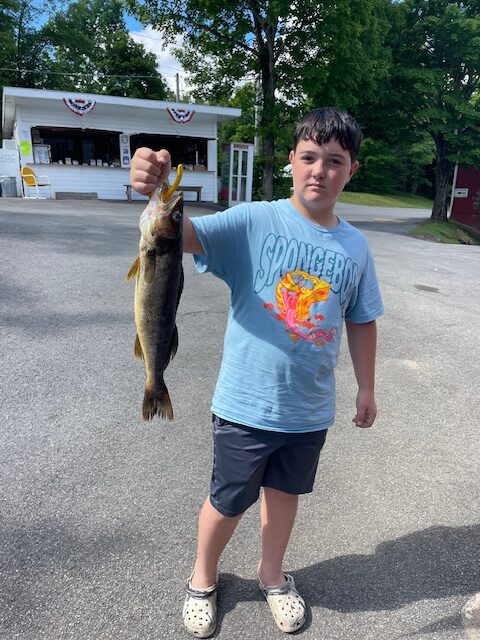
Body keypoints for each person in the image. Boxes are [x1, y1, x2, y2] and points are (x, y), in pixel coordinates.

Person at [129, 107, 384, 637]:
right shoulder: (254, 220)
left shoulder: (356, 248)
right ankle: (203, 577)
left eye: (334, 161)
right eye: (309, 157)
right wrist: (150, 184)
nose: (320, 170)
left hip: (309, 409)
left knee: (284, 498)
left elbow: (361, 320)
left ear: (352, 170)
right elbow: (181, 234)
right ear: (292, 160)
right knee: (227, 500)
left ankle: (273, 575)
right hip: (245, 403)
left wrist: (366, 386)